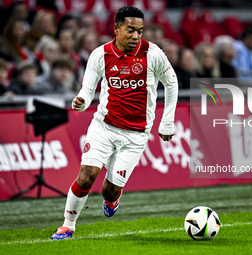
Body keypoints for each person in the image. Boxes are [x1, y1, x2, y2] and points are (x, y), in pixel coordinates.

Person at [51, 6, 178, 240]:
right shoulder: (100, 54)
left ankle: (112, 198)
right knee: (86, 177)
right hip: (104, 126)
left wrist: (167, 121)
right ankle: (68, 225)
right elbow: (88, 90)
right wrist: (81, 101)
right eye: (130, 30)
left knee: (109, 190)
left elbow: (171, 83)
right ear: (117, 28)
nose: (136, 36)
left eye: (140, 31)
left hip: (136, 135)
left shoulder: (153, 53)